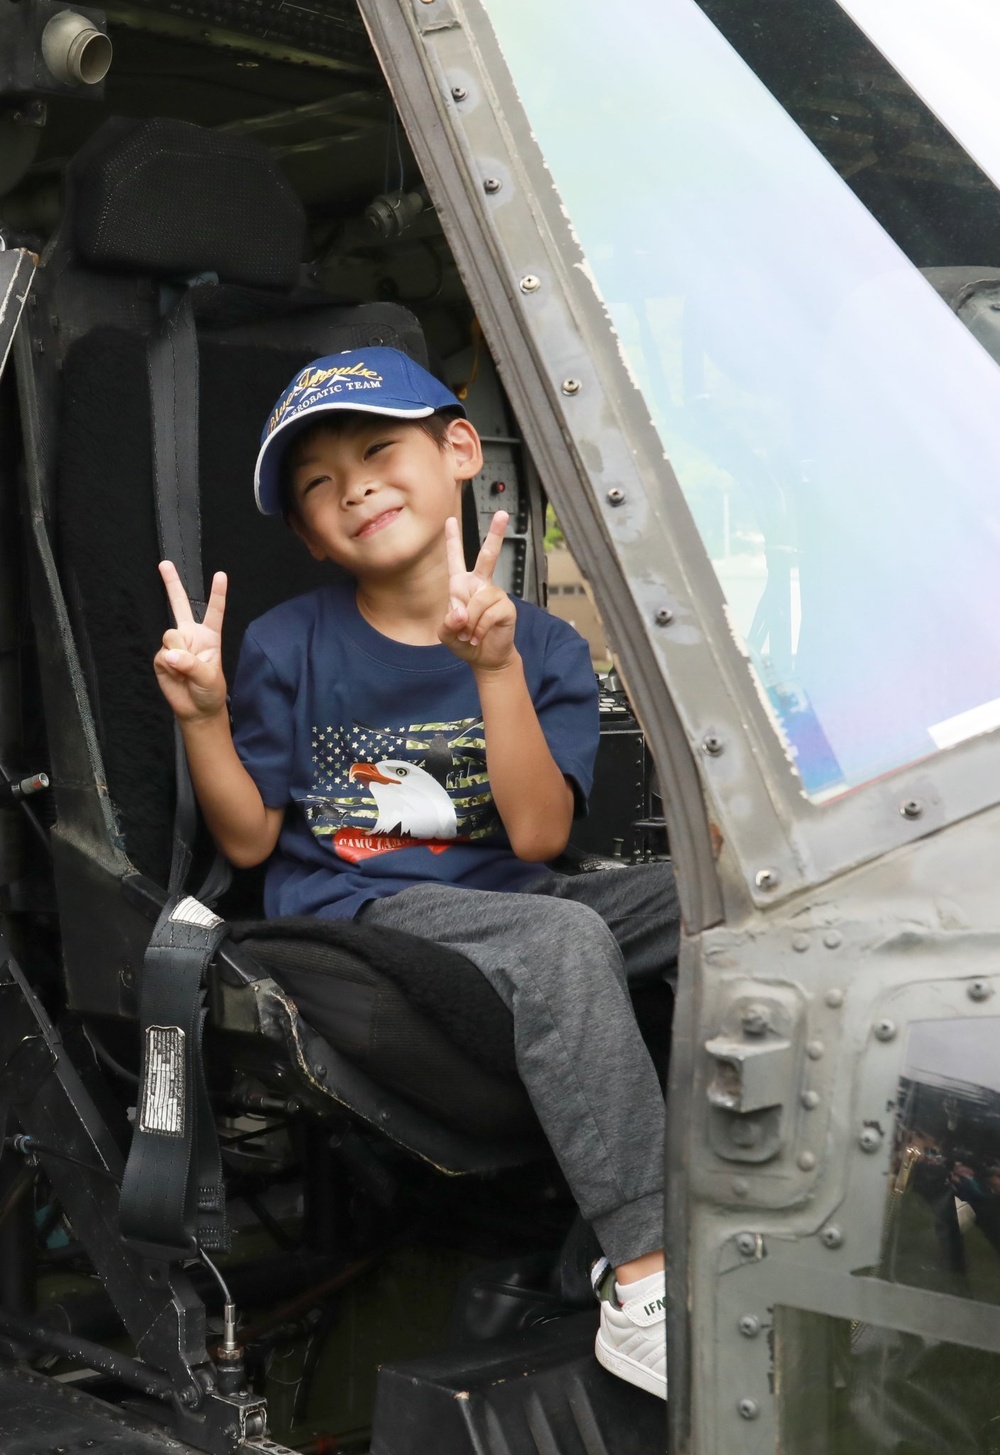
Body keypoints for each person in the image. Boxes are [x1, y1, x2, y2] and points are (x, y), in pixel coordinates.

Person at [153, 346, 679, 1399]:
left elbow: (534, 839)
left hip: (509, 894)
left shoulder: (542, 646)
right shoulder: (289, 642)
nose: (352, 484)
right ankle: (646, 1270)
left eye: (378, 448)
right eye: (317, 482)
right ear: (308, 532)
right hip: (364, 905)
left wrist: (493, 670)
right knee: (564, 940)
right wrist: (206, 717)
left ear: (458, 452)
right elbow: (251, 844)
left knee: (716, 899)